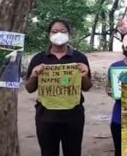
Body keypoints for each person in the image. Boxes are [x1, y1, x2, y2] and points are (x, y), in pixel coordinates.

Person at [25, 19, 92, 156]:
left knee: (73, 152)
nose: (59, 34)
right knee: (48, 152)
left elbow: (86, 87)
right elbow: (29, 88)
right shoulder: (39, 58)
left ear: (69, 34)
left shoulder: (80, 58)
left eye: (63, 31)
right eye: (54, 31)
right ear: (49, 34)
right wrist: (33, 76)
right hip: (46, 117)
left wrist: (84, 75)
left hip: (73, 117)